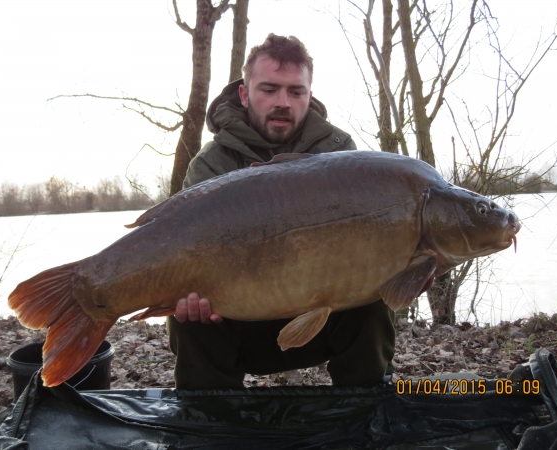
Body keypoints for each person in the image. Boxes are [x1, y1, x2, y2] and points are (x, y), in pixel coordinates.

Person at [166, 33, 395, 389]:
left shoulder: (340, 154)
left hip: (321, 321)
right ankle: (211, 426)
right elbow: (182, 249)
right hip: (237, 322)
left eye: (295, 91)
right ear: (244, 94)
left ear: (310, 95)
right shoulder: (211, 165)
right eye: (269, 89)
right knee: (188, 317)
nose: (283, 102)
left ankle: (362, 417)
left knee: (372, 302)